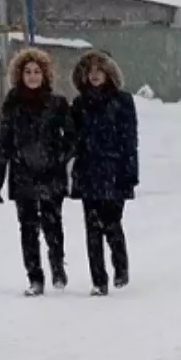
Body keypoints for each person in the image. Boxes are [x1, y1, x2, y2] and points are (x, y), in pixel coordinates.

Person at [0, 48, 75, 296]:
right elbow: (3, 142)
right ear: (19, 74)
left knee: (52, 224)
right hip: (22, 173)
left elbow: (71, 138)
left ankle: (57, 265)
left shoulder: (57, 103)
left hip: (51, 173)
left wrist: (59, 158)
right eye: (27, 71)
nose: (33, 76)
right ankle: (35, 277)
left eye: (37, 71)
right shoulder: (12, 104)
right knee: (27, 228)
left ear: (45, 74)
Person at [70, 50, 139, 297]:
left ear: (108, 73)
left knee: (112, 223)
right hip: (88, 172)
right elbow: (72, 140)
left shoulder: (123, 101)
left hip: (115, 171)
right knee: (92, 229)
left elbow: (130, 140)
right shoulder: (79, 104)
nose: (95, 75)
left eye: (99, 70)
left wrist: (130, 173)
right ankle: (99, 280)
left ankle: (121, 266)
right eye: (90, 71)